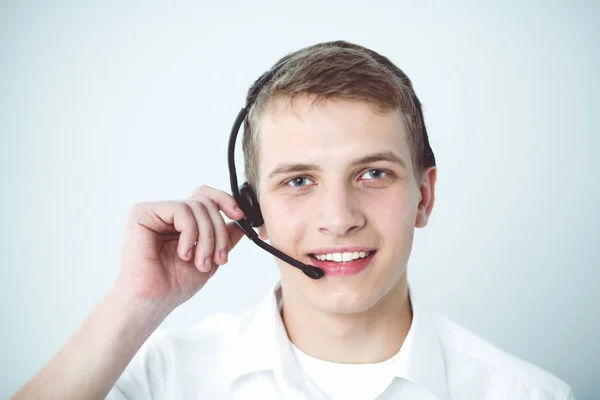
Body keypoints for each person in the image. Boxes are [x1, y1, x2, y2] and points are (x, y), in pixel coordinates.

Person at [12, 40, 577, 400]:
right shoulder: (162, 378)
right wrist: (136, 303)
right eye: (299, 181)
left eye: (374, 174)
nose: (338, 219)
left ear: (424, 197)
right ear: (251, 210)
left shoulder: (528, 394)